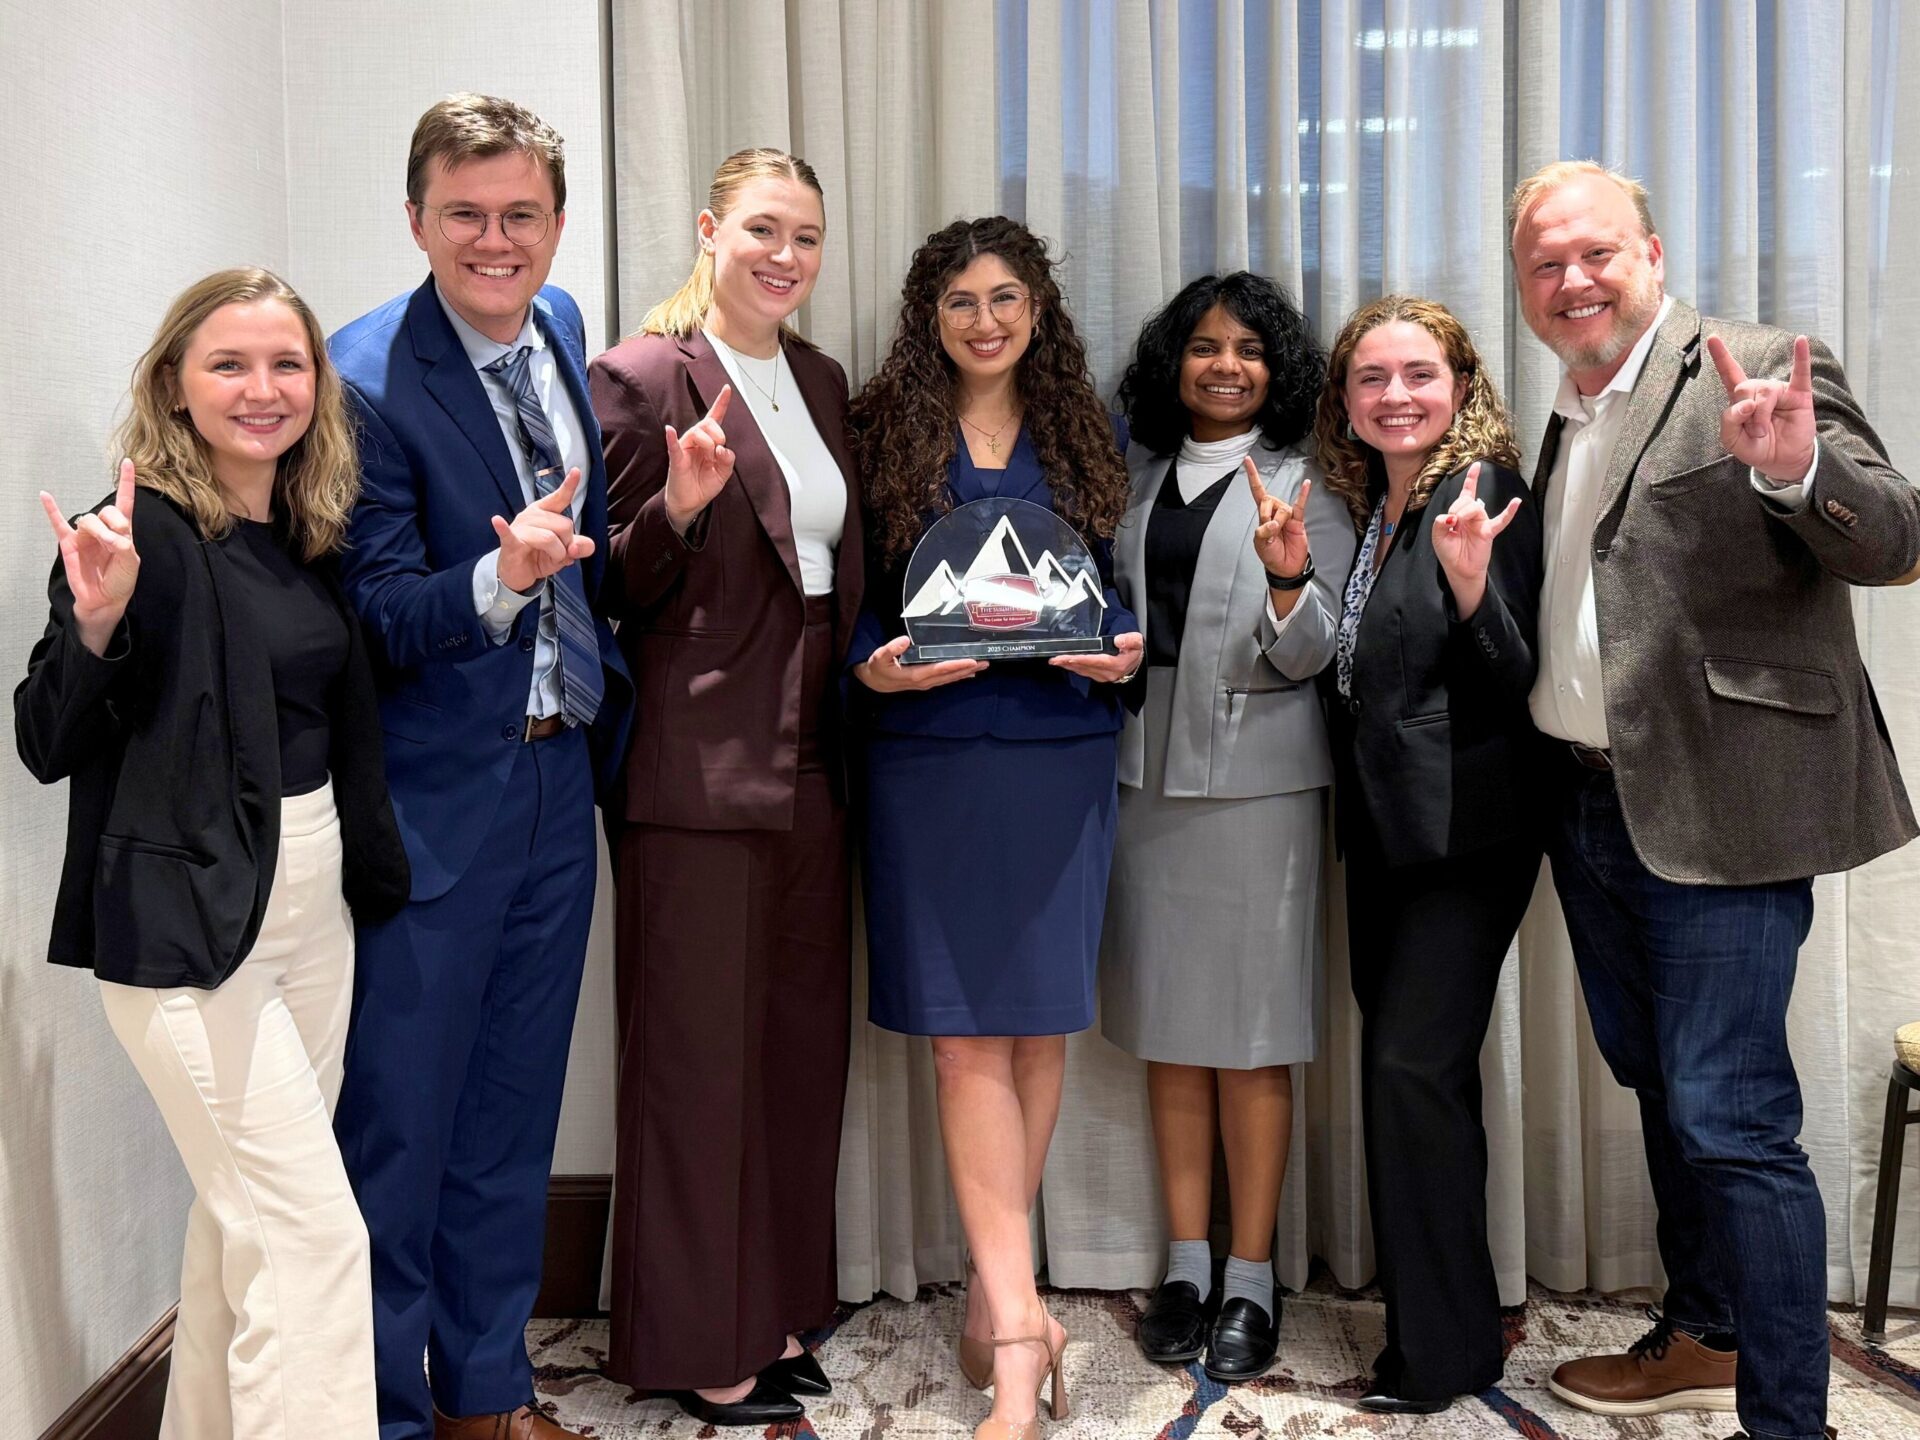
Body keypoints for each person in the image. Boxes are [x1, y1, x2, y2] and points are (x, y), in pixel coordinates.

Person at [1508, 160, 1919, 1440]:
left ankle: (1789, 1420)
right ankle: (1705, 1334)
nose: (1572, 280)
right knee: (1661, 1085)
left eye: (1596, 254)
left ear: (1654, 251)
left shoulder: (1750, 364)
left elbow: (1896, 536)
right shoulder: (1572, 407)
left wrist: (1799, 474)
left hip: (1721, 802)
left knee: (1734, 1117)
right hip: (1586, 807)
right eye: (1544, 265)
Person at [16, 268, 409, 1439]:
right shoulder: (136, 534)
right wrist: (95, 621)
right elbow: (47, 740)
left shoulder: (307, 530)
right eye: (228, 364)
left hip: (311, 895)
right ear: (174, 385)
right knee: (312, 1238)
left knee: (245, 1227)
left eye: (286, 364)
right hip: (192, 928)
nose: (262, 388)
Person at [327, 94, 632, 1440]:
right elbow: (381, 609)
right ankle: (391, 1412)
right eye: (465, 215)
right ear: (416, 220)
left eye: (520, 215)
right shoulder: (364, 379)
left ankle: (489, 1395)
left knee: (513, 1112)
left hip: (560, 778)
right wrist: (495, 582)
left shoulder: (561, 329)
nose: (494, 242)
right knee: (401, 1136)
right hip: (436, 796)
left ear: (557, 226)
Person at [847, 216, 1142, 1440]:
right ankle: (1022, 1338)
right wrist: (875, 669)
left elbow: (1110, 592)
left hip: (1060, 758)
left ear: (1039, 311)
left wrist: (1121, 652)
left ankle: (994, 1296)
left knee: (1033, 1034)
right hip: (929, 762)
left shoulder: (1091, 429)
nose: (984, 320)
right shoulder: (878, 431)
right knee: (965, 1042)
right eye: (960, 300)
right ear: (930, 314)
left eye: (1006, 297)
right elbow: (855, 609)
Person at [585, 147, 862, 1429]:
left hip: (819, 745)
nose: (784, 256)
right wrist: (681, 509)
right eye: (761, 228)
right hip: (697, 759)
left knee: (797, 1050)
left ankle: (777, 1309)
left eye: (804, 236)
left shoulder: (819, 379)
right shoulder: (644, 376)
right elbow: (611, 589)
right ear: (709, 229)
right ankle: (698, 1340)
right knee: (697, 1061)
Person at [1101, 271, 1351, 1383]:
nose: (1225, 366)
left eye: (1248, 349)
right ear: (1175, 361)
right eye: (1204, 346)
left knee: (1251, 1043)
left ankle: (1253, 1276)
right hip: (1143, 786)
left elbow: (1315, 655)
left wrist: (1292, 578)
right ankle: (1188, 1264)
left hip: (1259, 798)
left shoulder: (1316, 487)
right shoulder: (1135, 482)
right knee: (1169, 1033)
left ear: (1277, 369)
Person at [1311, 295, 1543, 1413]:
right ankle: (1444, 1333)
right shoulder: (1378, 502)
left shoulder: (1480, 490)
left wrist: (1466, 586)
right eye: (1371, 378)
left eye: (1417, 374)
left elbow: (1514, 673)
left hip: (1465, 839)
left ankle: (1440, 1358)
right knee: (1415, 1083)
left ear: (1460, 382)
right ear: (1345, 401)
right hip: (1385, 838)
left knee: (1411, 1072)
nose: (1394, 395)